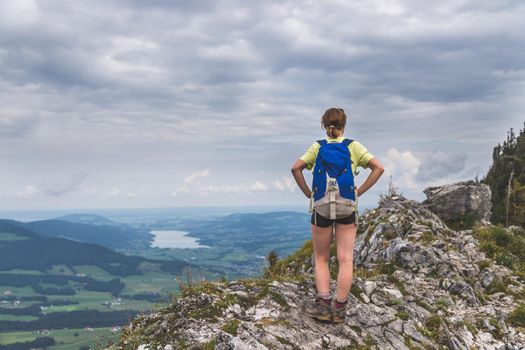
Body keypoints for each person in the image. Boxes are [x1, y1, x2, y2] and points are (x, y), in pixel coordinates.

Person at [290, 107, 384, 323]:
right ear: (344, 126)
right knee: (345, 259)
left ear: (325, 126)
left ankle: (323, 306)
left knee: (321, 258)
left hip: (321, 206)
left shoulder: (318, 147)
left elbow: (296, 168)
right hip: (347, 206)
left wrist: (308, 193)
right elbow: (378, 168)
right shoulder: (353, 146)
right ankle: (339, 310)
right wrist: (359, 191)